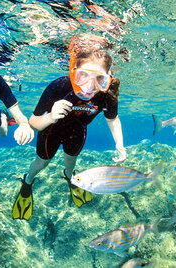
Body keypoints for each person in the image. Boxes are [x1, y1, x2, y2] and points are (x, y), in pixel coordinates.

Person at [12, 34, 127, 220]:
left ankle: (70, 177)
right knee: (42, 163)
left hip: (78, 133)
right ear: (74, 72)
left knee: (71, 161)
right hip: (50, 131)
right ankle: (28, 181)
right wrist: (50, 116)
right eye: (83, 75)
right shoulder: (59, 87)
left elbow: (113, 119)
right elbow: (33, 123)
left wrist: (119, 144)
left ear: (108, 79)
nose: (90, 86)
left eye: (100, 79)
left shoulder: (107, 95)